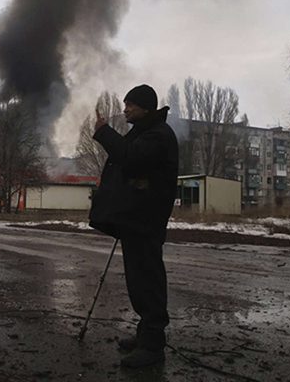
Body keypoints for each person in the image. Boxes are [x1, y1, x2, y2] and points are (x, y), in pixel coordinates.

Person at [89, 84, 179, 368]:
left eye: (130, 104)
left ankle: (153, 346)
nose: (125, 109)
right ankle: (145, 336)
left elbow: (131, 159)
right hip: (135, 217)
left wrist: (103, 131)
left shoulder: (158, 135)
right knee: (138, 279)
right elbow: (127, 157)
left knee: (147, 280)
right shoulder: (144, 131)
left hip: (146, 219)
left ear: (145, 107)